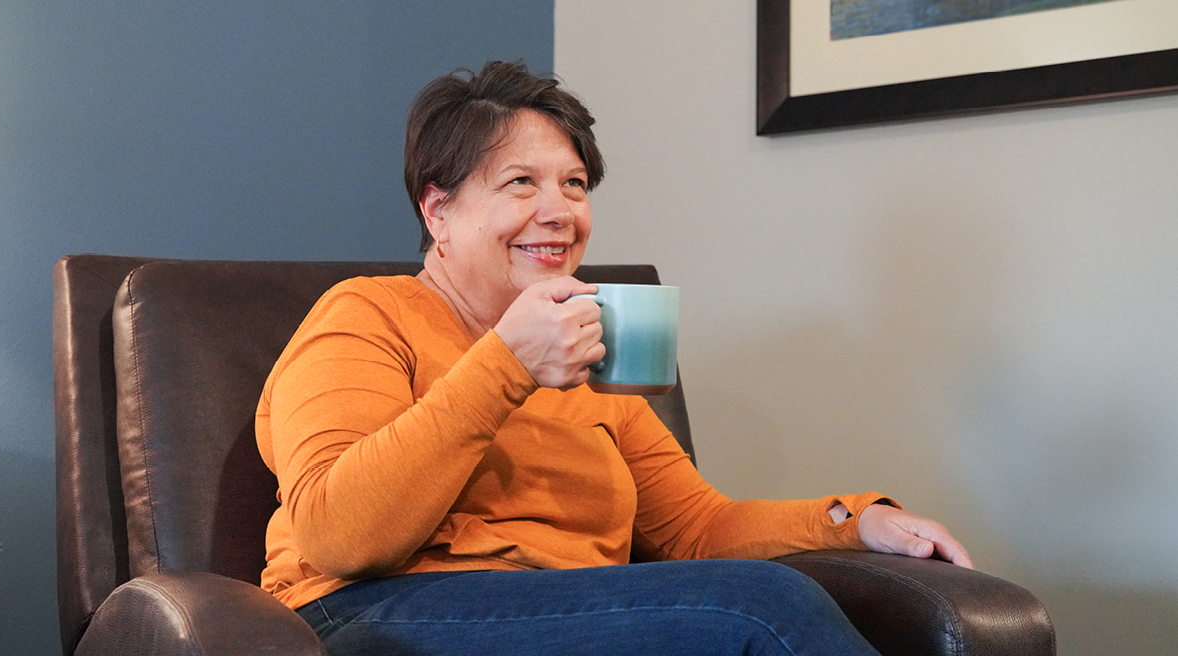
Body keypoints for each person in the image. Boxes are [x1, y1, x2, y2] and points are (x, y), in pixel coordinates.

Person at [254, 61, 972, 656]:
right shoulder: (366, 315)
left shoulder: (588, 351)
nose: (560, 211)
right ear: (437, 211)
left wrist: (854, 521)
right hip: (367, 615)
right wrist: (507, 362)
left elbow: (696, 529)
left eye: (574, 184)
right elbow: (336, 534)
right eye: (520, 184)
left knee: (764, 598)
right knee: (758, 608)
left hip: (562, 608)